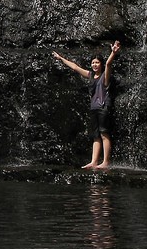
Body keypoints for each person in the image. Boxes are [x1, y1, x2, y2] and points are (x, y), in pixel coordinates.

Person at [52, 40, 122, 169]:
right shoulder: (90, 75)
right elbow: (75, 67)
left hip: (103, 107)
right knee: (95, 135)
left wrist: (113, 52)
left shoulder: (105, 77)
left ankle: (106, 161)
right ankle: (94, 161)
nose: (95, 65)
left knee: (103, 133)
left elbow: (108, 64)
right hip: (94, 108)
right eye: (93, 62)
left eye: (97, 62)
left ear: (100, 64)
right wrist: (60, 58)